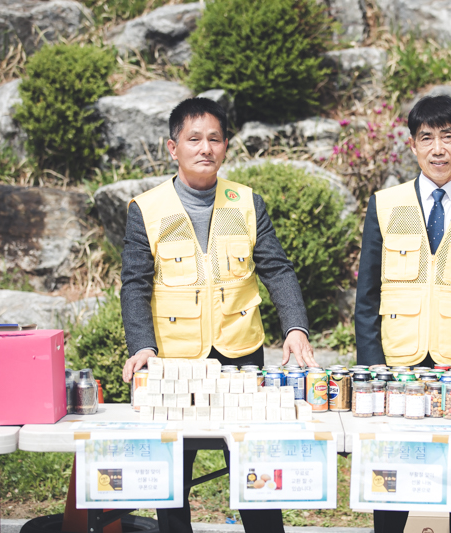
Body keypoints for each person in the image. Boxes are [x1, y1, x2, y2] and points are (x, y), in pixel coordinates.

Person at [120, 97, 317, 533]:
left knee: (253, 468)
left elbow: (277, 269)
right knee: (174, 475)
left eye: (215, 138)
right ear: (172, 148)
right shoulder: (146, 209)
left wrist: (295, 327)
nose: (205, 148)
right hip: (174, 361)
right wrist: (142, 346)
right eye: (194, 139)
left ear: (226, 146)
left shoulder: (245, 202)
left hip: (240, 355)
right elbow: (134, 284)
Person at [354, 95, 451, 533]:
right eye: (427, 138)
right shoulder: (385, 205)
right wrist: (373, 367)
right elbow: (366, 296)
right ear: (412, 145)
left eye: (448, 137)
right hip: (396, 367)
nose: (438, 149)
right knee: (391, 486)